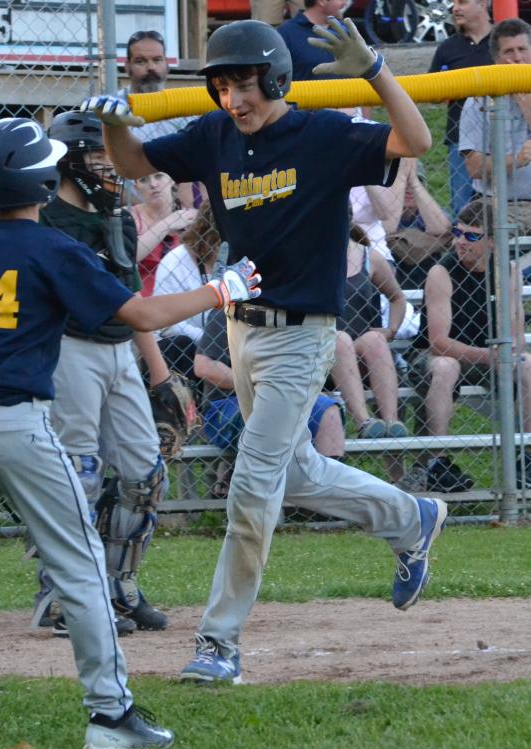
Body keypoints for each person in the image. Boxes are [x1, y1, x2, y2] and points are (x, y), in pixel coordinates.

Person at [83, 17, 447, 688]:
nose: (232, 100)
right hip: (243, 330)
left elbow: (415, 138)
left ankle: (218, 643)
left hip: (301, 334)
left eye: (243, 85)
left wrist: (372, 69)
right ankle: (410, 516)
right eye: (221, 87)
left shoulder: (321, 134)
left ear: (276, 79)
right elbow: (135, 162)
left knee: (253, 487)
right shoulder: (216, 133)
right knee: (296, 473)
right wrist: (114, 126)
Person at [0, 116, 260, 749]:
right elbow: (140, 315)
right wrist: (220, 290)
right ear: (38, 179)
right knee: (84, 568)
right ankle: (111, 717)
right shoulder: (54, 248)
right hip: (16, 422)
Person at [35, 110, 189, 636]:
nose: (111, 169)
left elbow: (132, 303)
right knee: (76, 474)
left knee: (145, 473)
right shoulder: (43, 219)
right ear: (69, 163)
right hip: (67, 348)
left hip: (118, 349)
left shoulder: (117, 217)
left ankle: (121, 585)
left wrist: (161, 376)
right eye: (98, 158)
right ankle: (61, 594)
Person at [404, 198, 531, 492]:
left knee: (527, 364)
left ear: (491, 242)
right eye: (458, 233)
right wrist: (491, 354)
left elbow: (515, 333)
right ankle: (437, 464)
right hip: (433, 357)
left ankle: (526, 458)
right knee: (447, 367)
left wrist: (509, 352)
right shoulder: (442, 273)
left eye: (472, 236)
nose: (461, 242)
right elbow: (437, 342)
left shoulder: (506, 271)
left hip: (485, 356)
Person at [196, 307, 346, 498]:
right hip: (227, 403)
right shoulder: (230, 310)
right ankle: (264, 492)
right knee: (275, 411)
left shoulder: (293, 314)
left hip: (284, 395)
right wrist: (261, 384)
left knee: (328, 411)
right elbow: (204, 366)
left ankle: (327, 500)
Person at [330, 220, 408, 439]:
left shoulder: (368, 256)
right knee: (340, 339)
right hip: (321, 353)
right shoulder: (306, 257)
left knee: (373, 339)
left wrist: (391, 329)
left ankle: (391, 422)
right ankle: (364, 422)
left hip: (362, 354)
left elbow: (397, 297)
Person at [459, 17, 531, 235]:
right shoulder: (479, 101)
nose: (517, 58)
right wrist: (517, 160)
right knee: (463, 239)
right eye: (509, 52)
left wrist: (526, 104)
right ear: (496, 60)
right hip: (493, 202)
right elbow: (474, 168)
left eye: (522, 49)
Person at [121, 29, 205, 210]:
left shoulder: (185, 107)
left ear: (167, 65)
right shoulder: (117, 108)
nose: (150, 67)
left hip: (181, 206)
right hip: (132, 209)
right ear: (127, 67)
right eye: (141, 61)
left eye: (157, 60)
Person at [429, 0, 493, 217]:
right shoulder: (448, 47)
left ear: (483, 4)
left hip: (503, 135)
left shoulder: (502, 42)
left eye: (462, 2)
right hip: (461, 140)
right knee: (463, 208)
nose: (455, 8)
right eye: (453, 3)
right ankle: (464, 247)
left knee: (502, 205)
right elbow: (430, 93)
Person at [152, 201, 221, 378]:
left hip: (218, 348)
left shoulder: (233, 261)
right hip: (183, 351)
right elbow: (169, 325)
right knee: (181, 344)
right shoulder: (175, 262)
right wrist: (211, 342)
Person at [382, 158, 452, 290]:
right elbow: (385, 228)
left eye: (414, 183)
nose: (408, 190)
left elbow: (443, 229)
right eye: (403, 184)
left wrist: (413, 179)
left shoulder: (428, 210)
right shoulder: (379, 210)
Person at [130, 171, 197, 295]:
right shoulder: (129, 217)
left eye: (159, 176)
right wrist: (168, 223)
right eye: (144, 180)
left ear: (172, 179)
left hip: (186, 298)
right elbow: (129, 257)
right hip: (143, 301)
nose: (153, 184)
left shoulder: (192, 217)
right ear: (136, 187)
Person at [278, 0, 342, 81]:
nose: (344, 3)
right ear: (322, 1)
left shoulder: (346, 29)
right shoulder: (285, 33)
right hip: (305, 92)